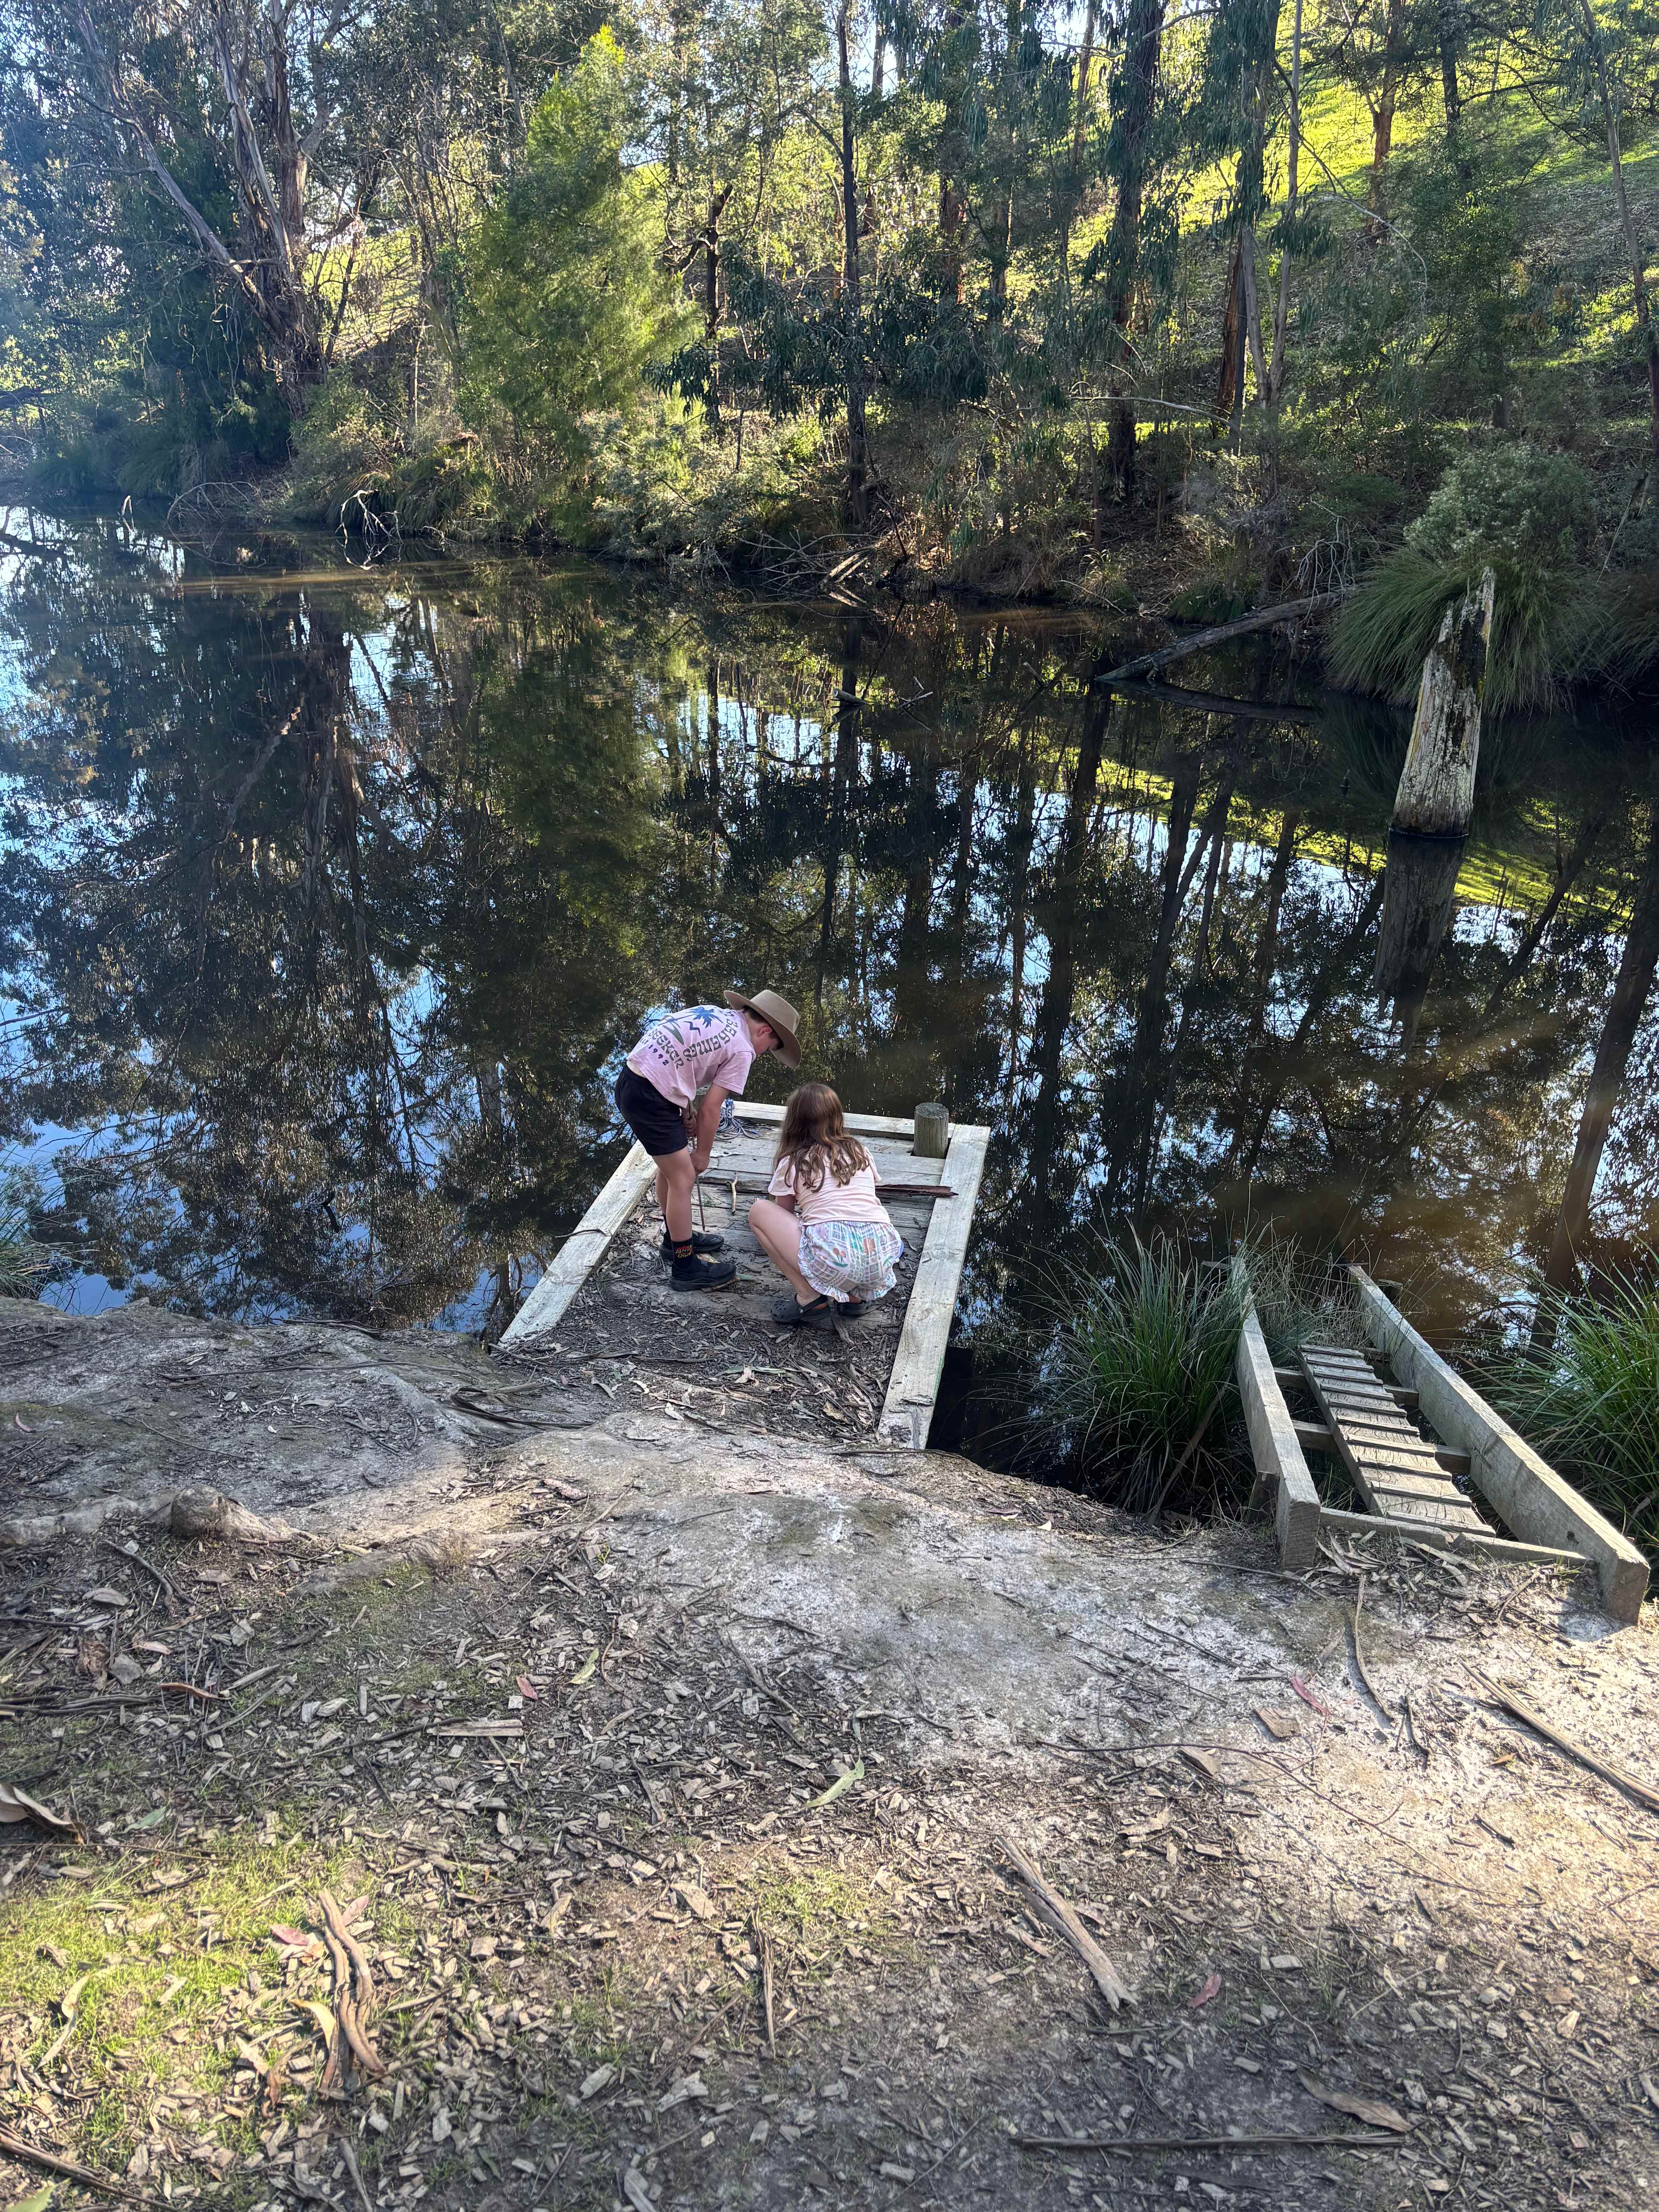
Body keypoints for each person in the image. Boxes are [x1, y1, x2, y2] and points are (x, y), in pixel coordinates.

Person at [614, 988, 801, 1291]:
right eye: (768, 1049)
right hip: (651, 1099)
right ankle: (685, 1269)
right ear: (765, 1031)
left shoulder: (715, 1014)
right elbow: (712, 1108)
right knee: (684, 1177)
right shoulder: (743, 1049)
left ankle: (675, 1240)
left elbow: (678, 1057)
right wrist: (702, 1154)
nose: (762, 1054)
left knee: (671, 1170)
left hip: (631, 1081)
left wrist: (683, 1108)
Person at [748, 1082, 904, 1330]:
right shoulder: (860, 1151)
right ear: (837, 1117)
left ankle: (809, 1298)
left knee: (759, 1212)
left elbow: (783, 1214)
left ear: (794, 1122)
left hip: (835, 1257)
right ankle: (855, 1299)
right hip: (880, 1254)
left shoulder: (793, 1161)